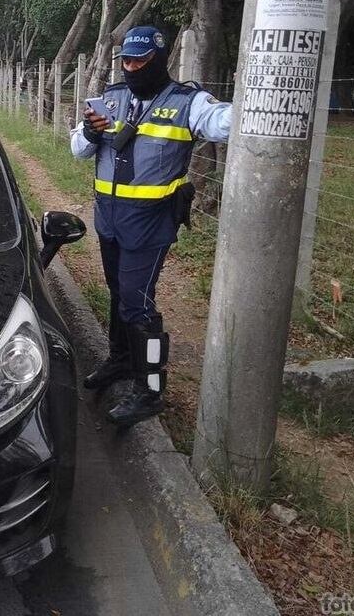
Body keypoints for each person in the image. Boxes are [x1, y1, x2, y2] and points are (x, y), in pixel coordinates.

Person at [70, 25, 232, 428]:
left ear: (159, 61)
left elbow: (223, 122)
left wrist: (261, 99)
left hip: (150, 222)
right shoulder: (111, 98)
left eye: (140, 61)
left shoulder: (188, 102)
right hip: (109, 218)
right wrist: (89, 132)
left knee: (137, 302)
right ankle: (121, 362)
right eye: (126, 60)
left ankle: (151, 389)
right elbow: (77, 150)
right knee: (117, 293)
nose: (131, 67)